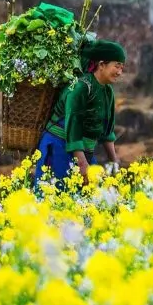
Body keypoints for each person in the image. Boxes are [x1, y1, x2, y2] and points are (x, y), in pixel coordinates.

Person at [32, 39, 126, 191]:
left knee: (91, 201)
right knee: (56, 198)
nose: (120, 72)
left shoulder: (107, 91)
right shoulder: (80, 88)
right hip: (59, 148)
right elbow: (73, 126)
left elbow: (107, 131)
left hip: (85, 151)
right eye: (117, 66)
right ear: (101, 65)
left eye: (122, 67)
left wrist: (114, 163)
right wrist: (82, 165)